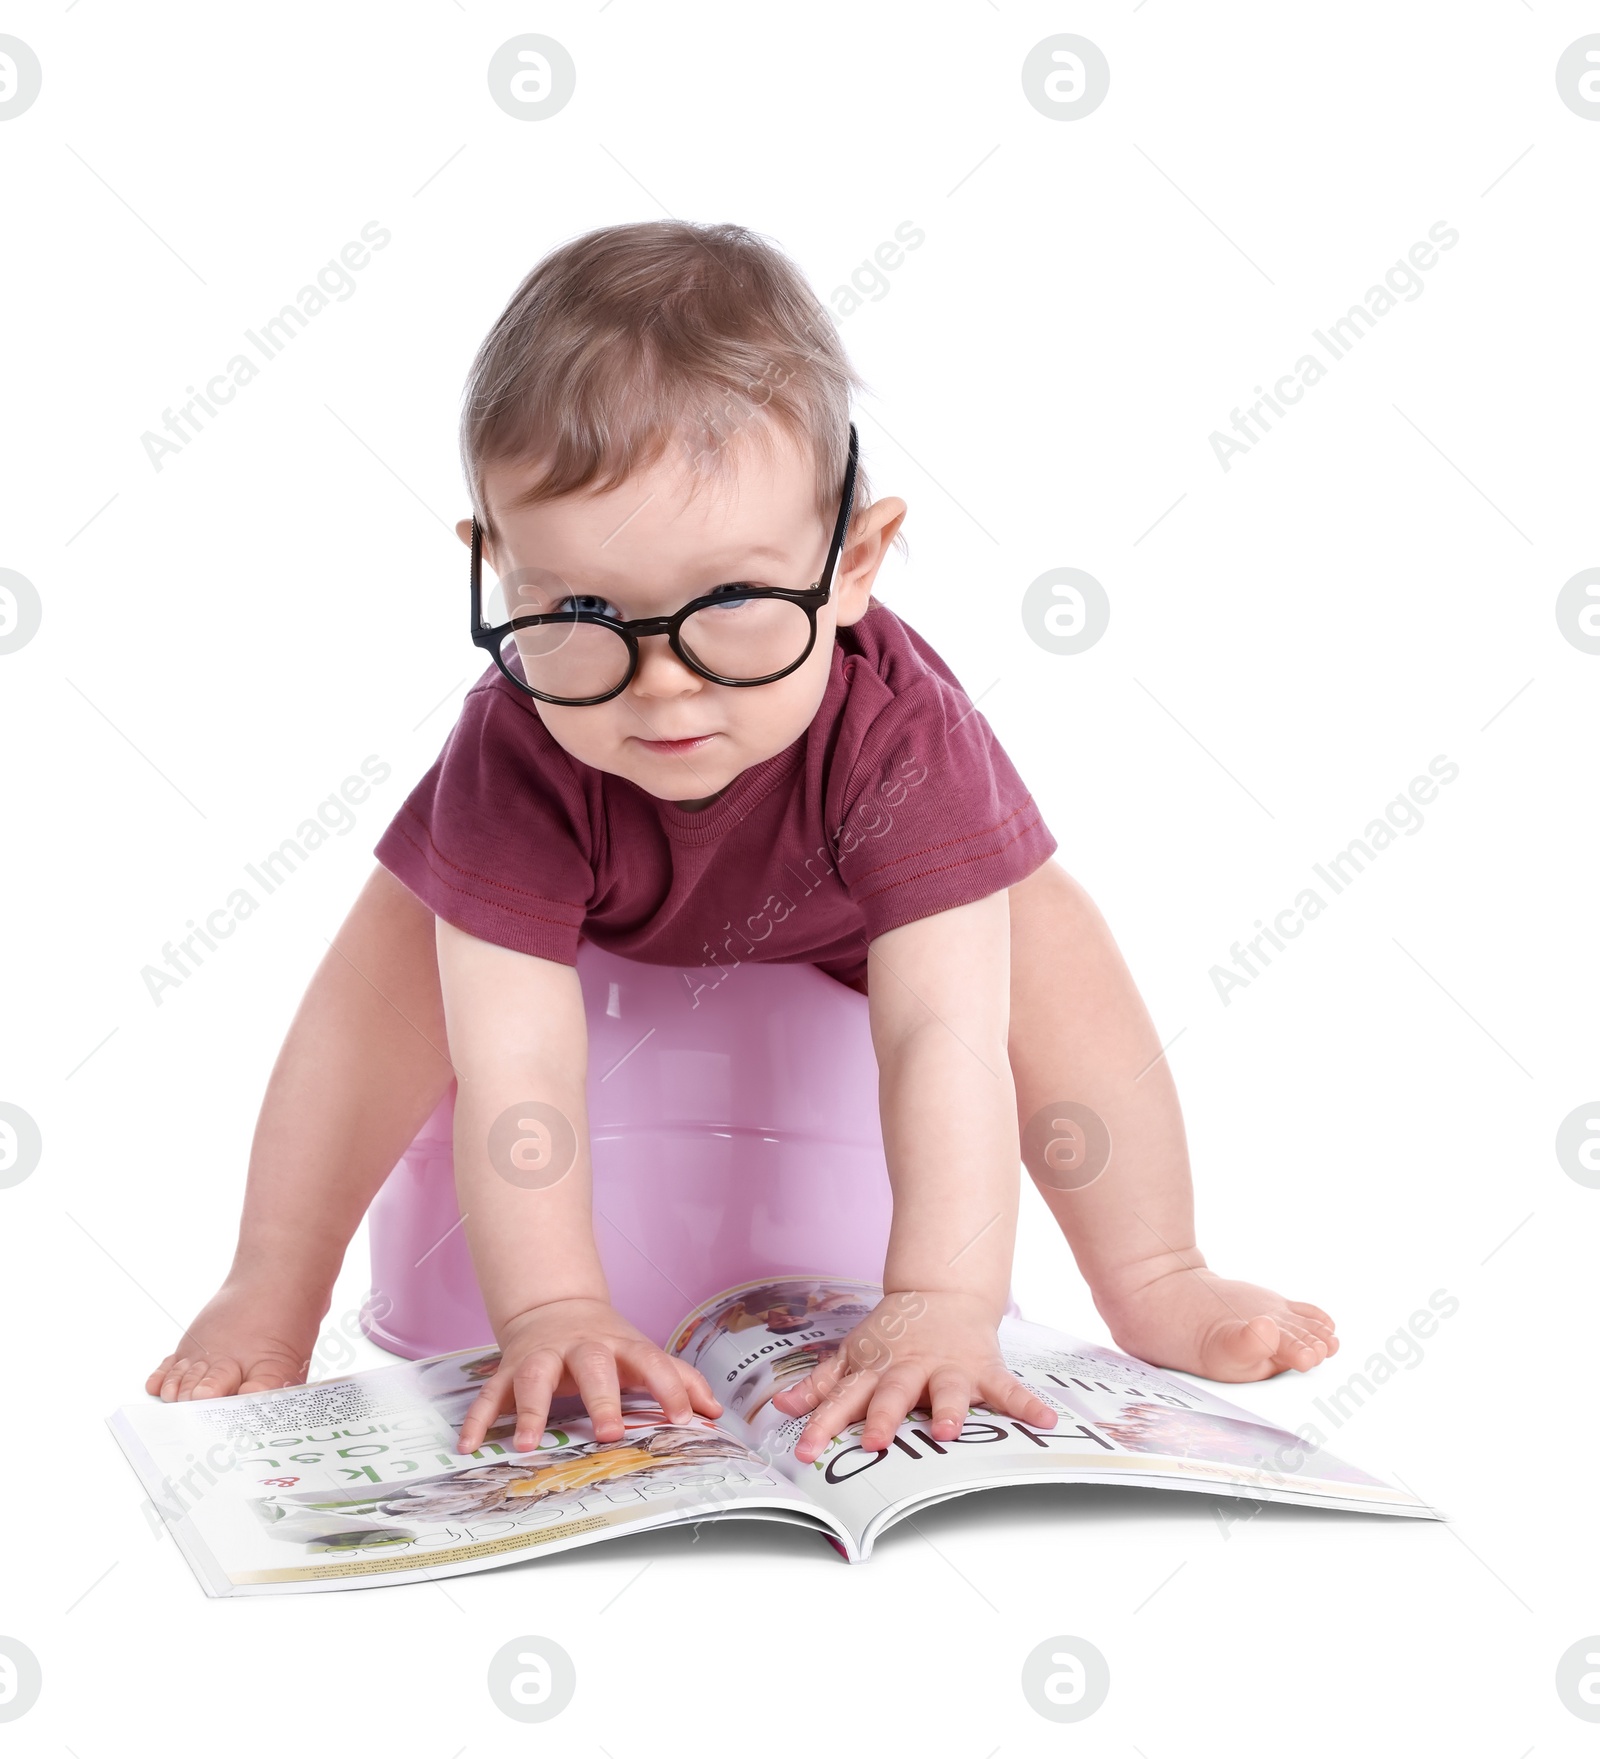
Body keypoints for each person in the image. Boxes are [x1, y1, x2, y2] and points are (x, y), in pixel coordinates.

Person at [146, 220, 1338, 1469]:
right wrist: (552, 1309)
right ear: (500, 574)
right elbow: (518, 1073)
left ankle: (1156, 1269)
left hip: (852, 933)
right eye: (582, 613)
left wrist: (940, 1299)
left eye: (731, 606)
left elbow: (941, 1031)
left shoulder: (899, 738)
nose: (661, 686)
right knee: (399, 933)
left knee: (1037, 924)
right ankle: (270, 1282)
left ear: (856, 564)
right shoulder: (517, 745)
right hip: (589, 921)